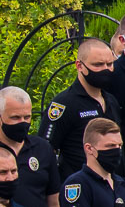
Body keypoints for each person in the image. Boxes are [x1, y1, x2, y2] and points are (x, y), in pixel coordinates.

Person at [41, 38, 120, 177]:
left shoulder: (111, 101)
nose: (105, 70)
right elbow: (46, 149)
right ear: (79, 66)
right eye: (98, 65)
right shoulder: (63, 104)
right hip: (77, 186)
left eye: (109, 64)